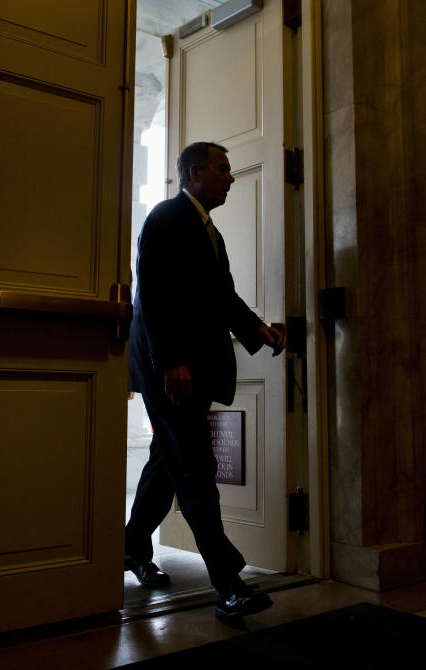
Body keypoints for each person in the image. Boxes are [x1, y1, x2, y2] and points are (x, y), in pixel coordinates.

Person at [125, 141, 286, 618]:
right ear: (195, 172)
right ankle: (228, 582)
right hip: (170, 369)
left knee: (167, 461)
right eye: (223, 169)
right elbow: (150, 295)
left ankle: (132, 547)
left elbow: (222, 295)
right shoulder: (165, 217)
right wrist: (172, 359)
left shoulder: (204, 227)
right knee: (195, 468)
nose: (231, 178)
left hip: (187, 367)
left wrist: (258, 328)